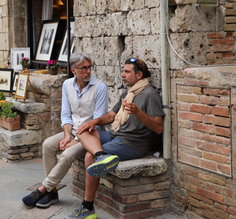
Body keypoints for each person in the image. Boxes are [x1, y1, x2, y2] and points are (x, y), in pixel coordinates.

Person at [66, 57, 165, 219]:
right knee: (83, 131)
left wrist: (138, 112)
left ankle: (88, 208)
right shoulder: (128, 92)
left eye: (127, 72)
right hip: (116, 134)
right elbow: (112, 116)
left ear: (139, 75)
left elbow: (159, 128)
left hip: (133, 144)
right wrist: (94, 121)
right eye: (123, 71)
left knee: (89, 156)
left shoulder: (150, 94)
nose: (122, 75)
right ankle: (101, 155)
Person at [20, 52, 108, 209]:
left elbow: (97, 121)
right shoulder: (67, 84)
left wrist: (75, 140)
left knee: (67, 154)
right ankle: (52, 192)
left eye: (90, 67)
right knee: (47, 144)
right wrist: (67, 136)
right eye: (84, 68)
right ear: (73, 70)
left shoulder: (100, 87)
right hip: (72, 131)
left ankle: (42, 189)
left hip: (91, 136)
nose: (88, 71)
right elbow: (66, 115)